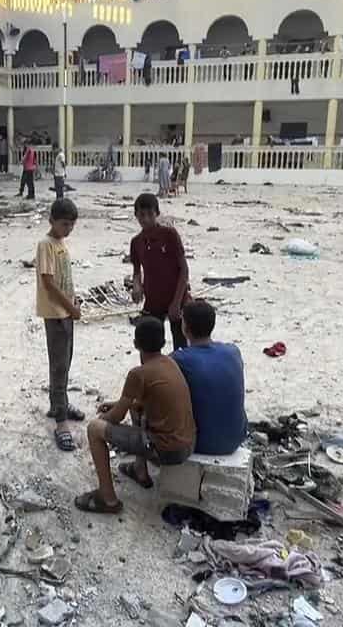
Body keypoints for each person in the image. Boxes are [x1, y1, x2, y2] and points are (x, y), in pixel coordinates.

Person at [74, 315, 196, 513]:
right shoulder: (170, 363)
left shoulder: (138, 373)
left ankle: (108, 498)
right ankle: (140, 471)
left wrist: (104, 419)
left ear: (135, 344)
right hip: (188, 444)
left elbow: (115, 418)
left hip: (165, 450)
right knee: (135, 406)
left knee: (94, 429)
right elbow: (142, 401)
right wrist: (119, 403)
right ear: (163, 342)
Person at [37, 198, 83, 451]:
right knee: (59, 365)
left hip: (66, 312)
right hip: (56, 314)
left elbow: (65, 280)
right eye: (64, 224)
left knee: (66, 360)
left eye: (72, 225)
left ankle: (60, 403)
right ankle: (61, 421)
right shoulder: (46, 245)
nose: (68, 229)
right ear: (51, 220)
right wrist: (69, 307)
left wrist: (74, 302)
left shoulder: (61, 244)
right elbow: (49, 283)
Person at [172, 300, 247, 455]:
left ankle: (140, 467)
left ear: (185, 327)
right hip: (236, 437)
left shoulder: (179, 360)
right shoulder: (233, 351)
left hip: (203, 443)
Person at [131, 193, 191, 351]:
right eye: (141, 215)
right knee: (148, 345)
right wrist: (136, 286)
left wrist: (177, 303)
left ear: (157, 214)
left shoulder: (169, 235)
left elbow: (184, 269)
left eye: (150, 214)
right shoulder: (136, 242)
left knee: (181, 347)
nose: (145, 219)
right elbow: (137, 271)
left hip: (177, 296)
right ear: (136, 216)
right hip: (153, 300)